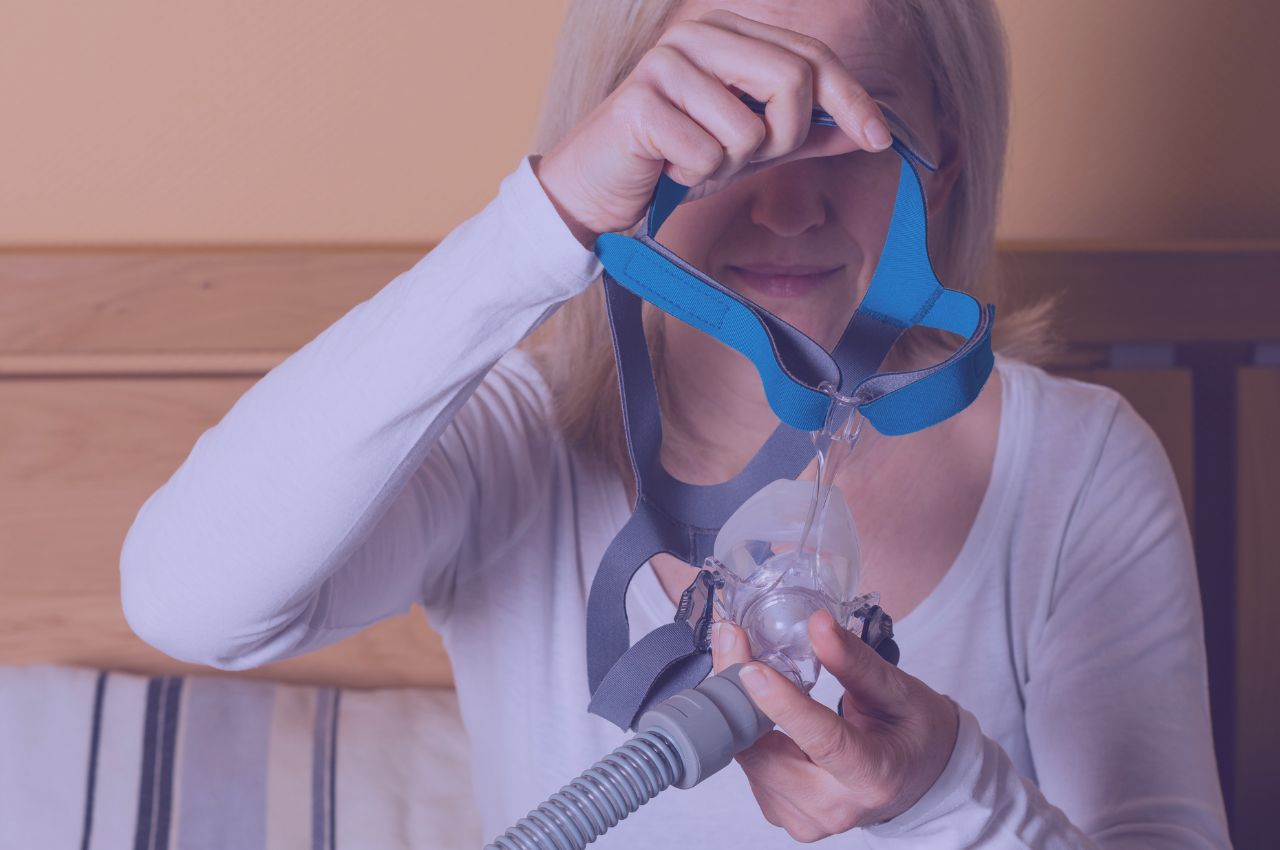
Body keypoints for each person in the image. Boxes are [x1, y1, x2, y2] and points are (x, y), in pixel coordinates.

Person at [119, 1, 1232, 846]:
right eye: (726, 120)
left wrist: (946, 795)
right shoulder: (511, 450)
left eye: (855, 128)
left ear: (944, 164)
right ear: (628, 139)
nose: (786, 206)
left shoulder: (1072, 466)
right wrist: (543, 222)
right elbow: (188, 601)